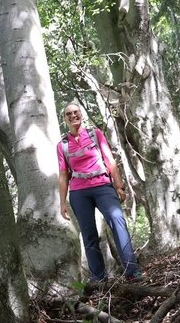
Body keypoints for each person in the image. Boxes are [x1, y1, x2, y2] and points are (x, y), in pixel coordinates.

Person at [57, 102, 141, 282]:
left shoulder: (95, 134)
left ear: (81, 114)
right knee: (89, 234)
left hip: (103, 186)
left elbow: (110, 160)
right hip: (79, 193)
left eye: (76, 112)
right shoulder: (62, 145)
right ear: (64, 119)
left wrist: (119, 186)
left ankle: (131, 271)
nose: (73, 116)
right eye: (68, 114)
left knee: (117, 220)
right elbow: (63, 175)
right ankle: (99, 278)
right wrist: (63, 202)